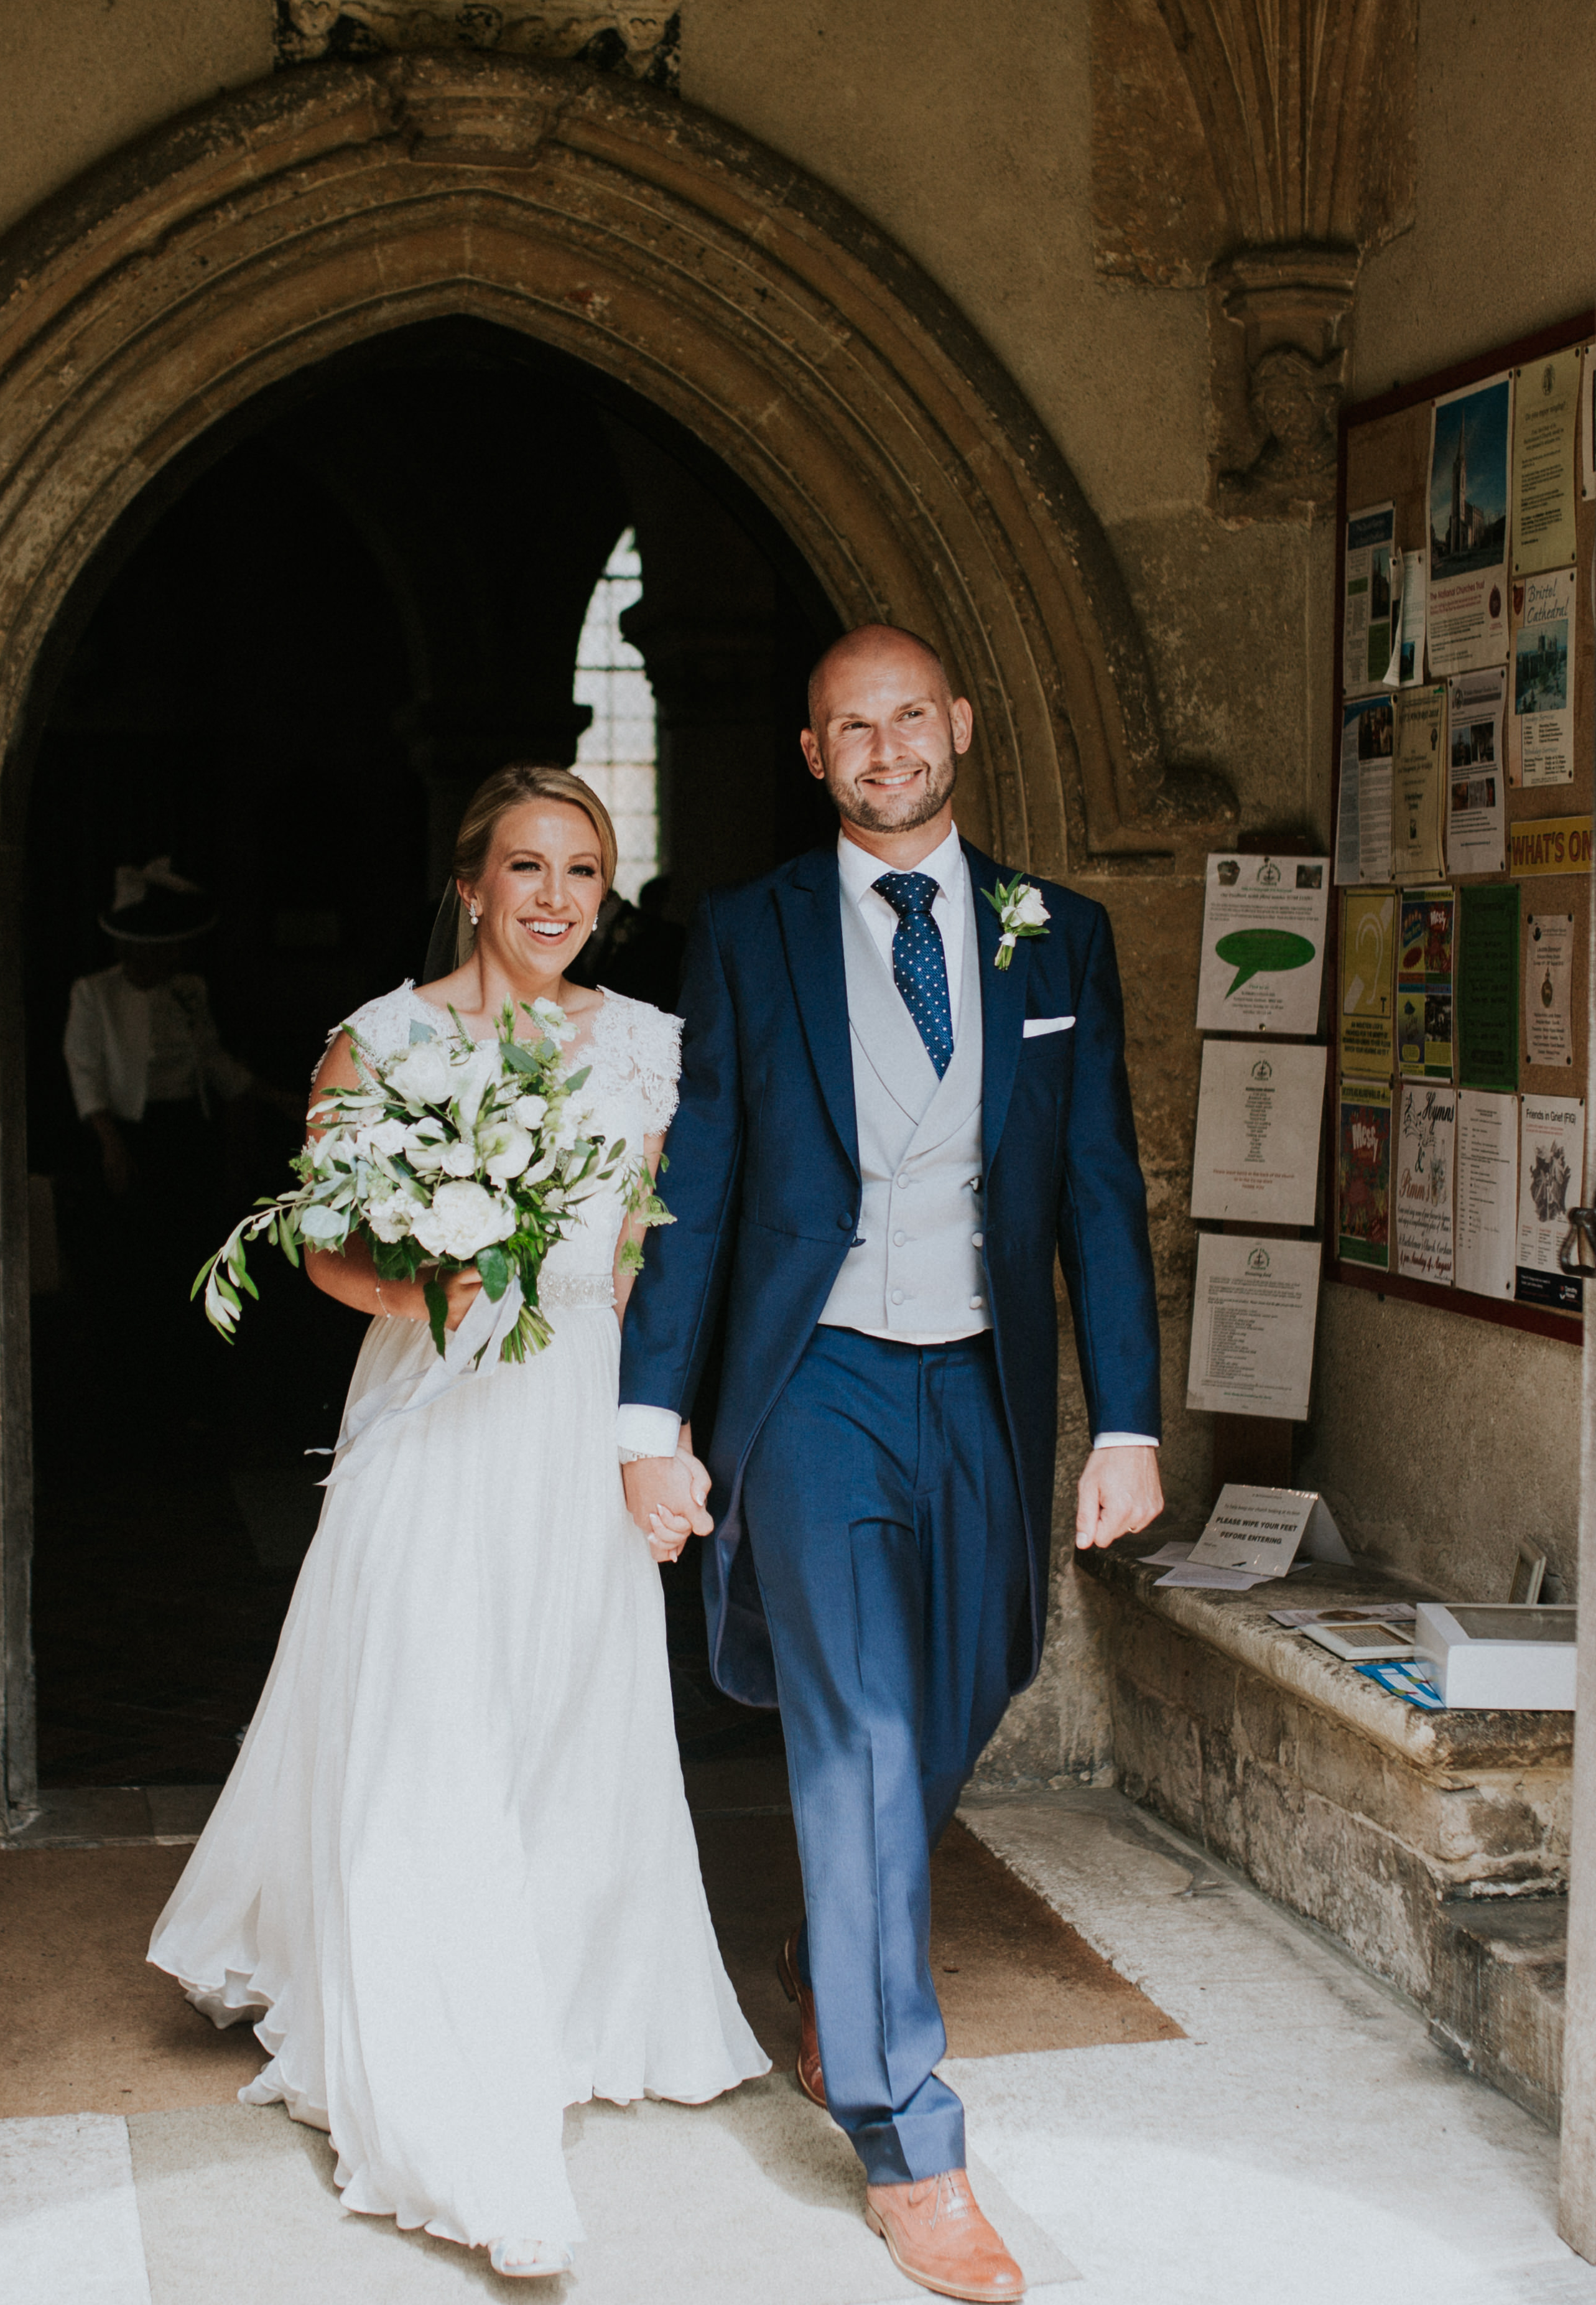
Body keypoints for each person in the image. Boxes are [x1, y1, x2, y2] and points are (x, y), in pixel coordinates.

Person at [147, 765, 767, 2281]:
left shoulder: (652, 1049)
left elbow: (657, 1256)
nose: (554, 898)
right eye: (526, 867)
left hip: (580, 1430)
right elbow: (325, 1252)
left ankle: (551, 1985)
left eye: (582, 872)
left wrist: (662, 1427)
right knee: (431, 1719)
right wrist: (442, 1272)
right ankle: (445, 2077)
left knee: (559, 1709)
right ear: (472, 882)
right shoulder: (382, 1040)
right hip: (436, 1420)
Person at [615, 626, 1164, 2305]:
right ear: (811, 756)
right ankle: (904, 2138)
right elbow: (697, 1176)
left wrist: (1126, 1418)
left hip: (980, 1384)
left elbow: (1093, 1189)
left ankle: (824, 1951)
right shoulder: (747, 931)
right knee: (856, 1728)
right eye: (847, 727)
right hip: (814, 1382)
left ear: (959, 729)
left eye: (905, 716)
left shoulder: (1050, 932)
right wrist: (651, 1419)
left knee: (970, 1673)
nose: (881, 746)